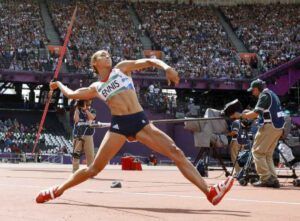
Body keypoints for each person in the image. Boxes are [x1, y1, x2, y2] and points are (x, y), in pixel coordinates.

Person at [36, 50, 234, 205]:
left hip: (139, 122)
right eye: (103, 55)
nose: (108, 56)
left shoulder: (121, 69)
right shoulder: (96, 87)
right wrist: (59, 85)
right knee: (93, 168)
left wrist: (166, 67)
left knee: (175, 152)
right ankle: (57, 190)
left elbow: (149, 61)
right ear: (95, 63)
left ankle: (210, 192)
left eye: (108, 54)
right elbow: (71, 94)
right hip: (119, 126)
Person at [231, 79, 284, 188]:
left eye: (253, 90)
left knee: (257, 152)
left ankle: (266, 178)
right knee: (267, 154)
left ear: (257, 89)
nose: (253, 93)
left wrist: (239, 115)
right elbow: (264, 113)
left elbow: (255, 113)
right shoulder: (272, 94)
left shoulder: (264, 95)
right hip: (278, 127)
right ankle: (272, 178)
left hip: (269, 127)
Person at [72, 99, 96, 173]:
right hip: (78, 134)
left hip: (88, 134)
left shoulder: (92, 110)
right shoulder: (78, 110)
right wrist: (76, 109)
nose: (85, 104)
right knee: (76, 153)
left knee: (90, 154)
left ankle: (90, 171)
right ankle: (75, 170)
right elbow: (76, 120)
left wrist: (86, 110)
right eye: (84, 102)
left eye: (87, 102)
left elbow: (92, 117)